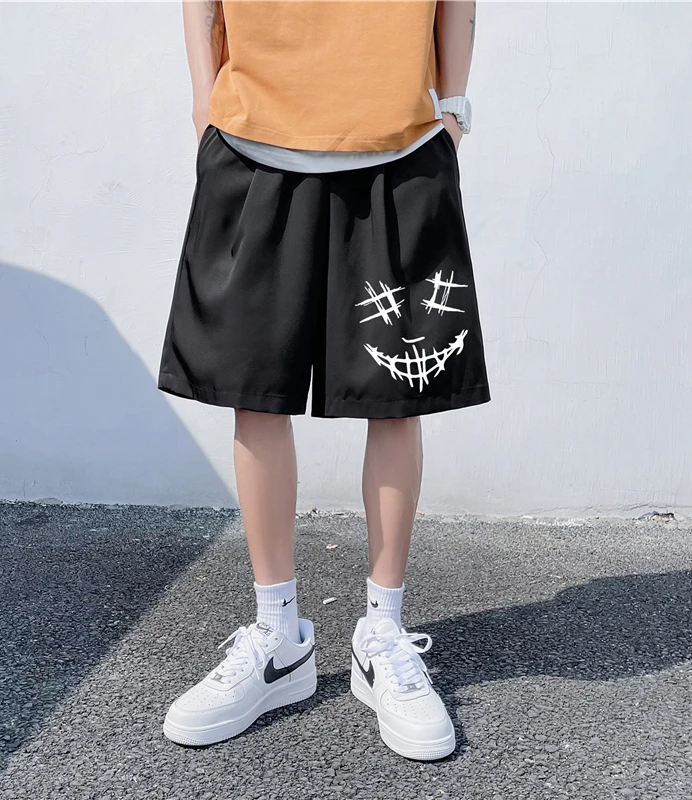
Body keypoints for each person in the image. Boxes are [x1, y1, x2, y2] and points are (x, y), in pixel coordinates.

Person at [156, 0, 487, 761]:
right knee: (254, 394)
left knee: (398, 395)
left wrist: (454, 109)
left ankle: (383, 633)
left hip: (399, 145)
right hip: (253, 140)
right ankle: (278, 637)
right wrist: (205, 104)